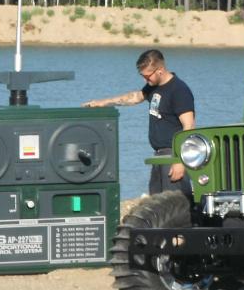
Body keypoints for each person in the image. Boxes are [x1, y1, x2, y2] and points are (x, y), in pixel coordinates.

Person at [83, 50, 194, 197]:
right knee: (157, 204)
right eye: (142, 76)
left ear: (160, 70)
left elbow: (189, 126)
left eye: (147, 76)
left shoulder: (179, 90)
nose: (144, 80)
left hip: (173, 155)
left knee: (175, 205)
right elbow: (135, 97)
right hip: (159, 156)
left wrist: (180, 161)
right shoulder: (154, 86)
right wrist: (103, 102)